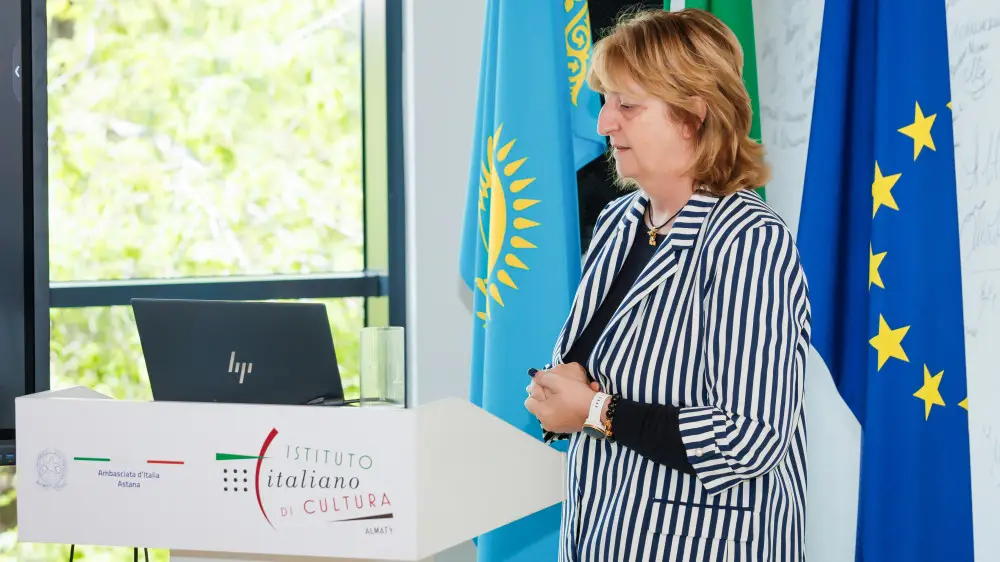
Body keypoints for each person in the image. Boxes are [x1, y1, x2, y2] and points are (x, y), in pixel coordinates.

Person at [524, 8, 811, 562]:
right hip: (601, 537)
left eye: (627, 105)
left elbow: (750, 437)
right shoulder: (618, 222)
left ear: (694, 114)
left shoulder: (748, 241)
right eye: (605, 101)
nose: (604, 124)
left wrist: (595, 410)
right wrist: (563, 389)